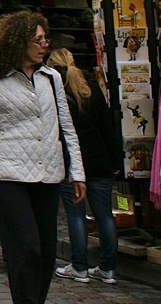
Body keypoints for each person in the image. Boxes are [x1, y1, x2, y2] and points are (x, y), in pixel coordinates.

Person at [0, 10, 86, 304]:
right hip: (6, 175)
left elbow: (67, 128)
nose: (45, 44)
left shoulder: (52, 79)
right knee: (26, 246)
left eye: (46, 38)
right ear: (20, 43)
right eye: (38, 39)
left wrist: (78, 172)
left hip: (48, 172)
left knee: (45, 251)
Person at [45, 48, 119, 285]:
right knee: (104, 216)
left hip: (71, 162)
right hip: (98, 159)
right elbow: (107, 127)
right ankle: (107, 268)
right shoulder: (90, 89)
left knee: (76, 216)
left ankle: (80, 266)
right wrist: (115, 160)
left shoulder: (55, 92)